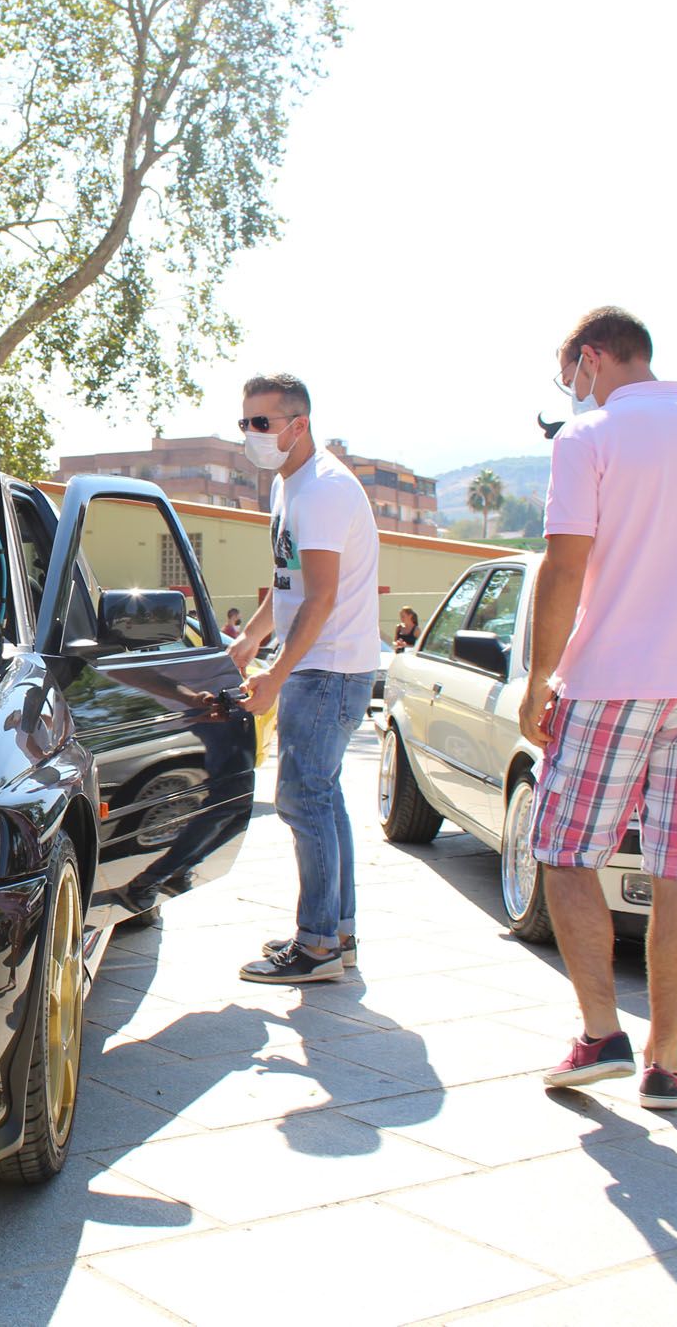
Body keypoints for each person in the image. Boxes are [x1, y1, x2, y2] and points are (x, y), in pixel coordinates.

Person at [521, 307, 677, 1112]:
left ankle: (602, 1034)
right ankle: (666, 1062)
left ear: (593, 358)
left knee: (563, 850)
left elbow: (564, 567)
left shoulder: (587, 440)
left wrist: (537, 676)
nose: (573, 395)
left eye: (571, 379)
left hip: (610, 682)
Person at [228, 373, 383, 983]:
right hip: (324, 667)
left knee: (302, 799)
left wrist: (274, 674)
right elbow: (290, 584)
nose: (251, 435)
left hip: (328, 670)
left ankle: (318, 946)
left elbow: (320, 600)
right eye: (245, 423)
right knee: (323, 798)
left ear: (299, 424)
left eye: (261, 424)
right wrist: (252, 635)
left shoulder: (320, 491)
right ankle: (335, 934)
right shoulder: (290, 485)